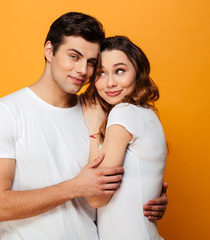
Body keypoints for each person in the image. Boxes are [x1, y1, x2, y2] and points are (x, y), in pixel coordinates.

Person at [0, 12, 168, 240]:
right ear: (50, 51)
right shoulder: (6, 111)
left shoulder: (99, 112)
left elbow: (121, 180)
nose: (83, 71)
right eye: (74, 56)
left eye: (91, 63)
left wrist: (146, 196)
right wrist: (75, 187)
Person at [81, 36, 167, 240]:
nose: (110, 83)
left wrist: (94, 129)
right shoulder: (147, 113)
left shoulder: (124, 113)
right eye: (101, 72)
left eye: (120, 70)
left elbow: (97, 197)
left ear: (138, 72)